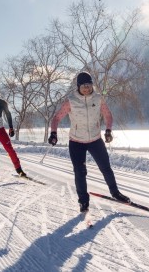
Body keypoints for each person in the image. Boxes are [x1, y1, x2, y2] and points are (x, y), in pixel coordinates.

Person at [48, 72, 130, 213]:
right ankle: (83, 201)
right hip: (76, 141)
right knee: (80, 172)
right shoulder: (71, 101)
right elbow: (56, 118)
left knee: (106, 167)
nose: (86, 88)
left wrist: (108, 130)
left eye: (89, 85)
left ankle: (115, 192)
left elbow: (108, 115)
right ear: (78, 86)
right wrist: (53, 133)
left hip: (95, 140)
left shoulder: (98, 99)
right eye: (83, 86)